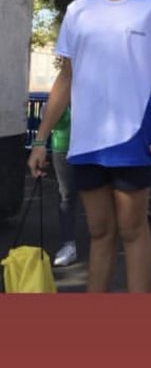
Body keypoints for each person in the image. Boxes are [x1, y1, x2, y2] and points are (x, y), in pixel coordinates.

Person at [28, 0, 151, 293]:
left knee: (133, 230)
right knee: (99, 232)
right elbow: (65, 79)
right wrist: (40, 140)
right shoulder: (78, 11)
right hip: (86, 142)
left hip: (133, 139)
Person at [50, 105, 79, 267]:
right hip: (63, 147)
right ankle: (69, 244)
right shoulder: (64, 85)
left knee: (99, 194)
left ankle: (111, 239)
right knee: (66, 195)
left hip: (90, 146)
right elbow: (48, 112)